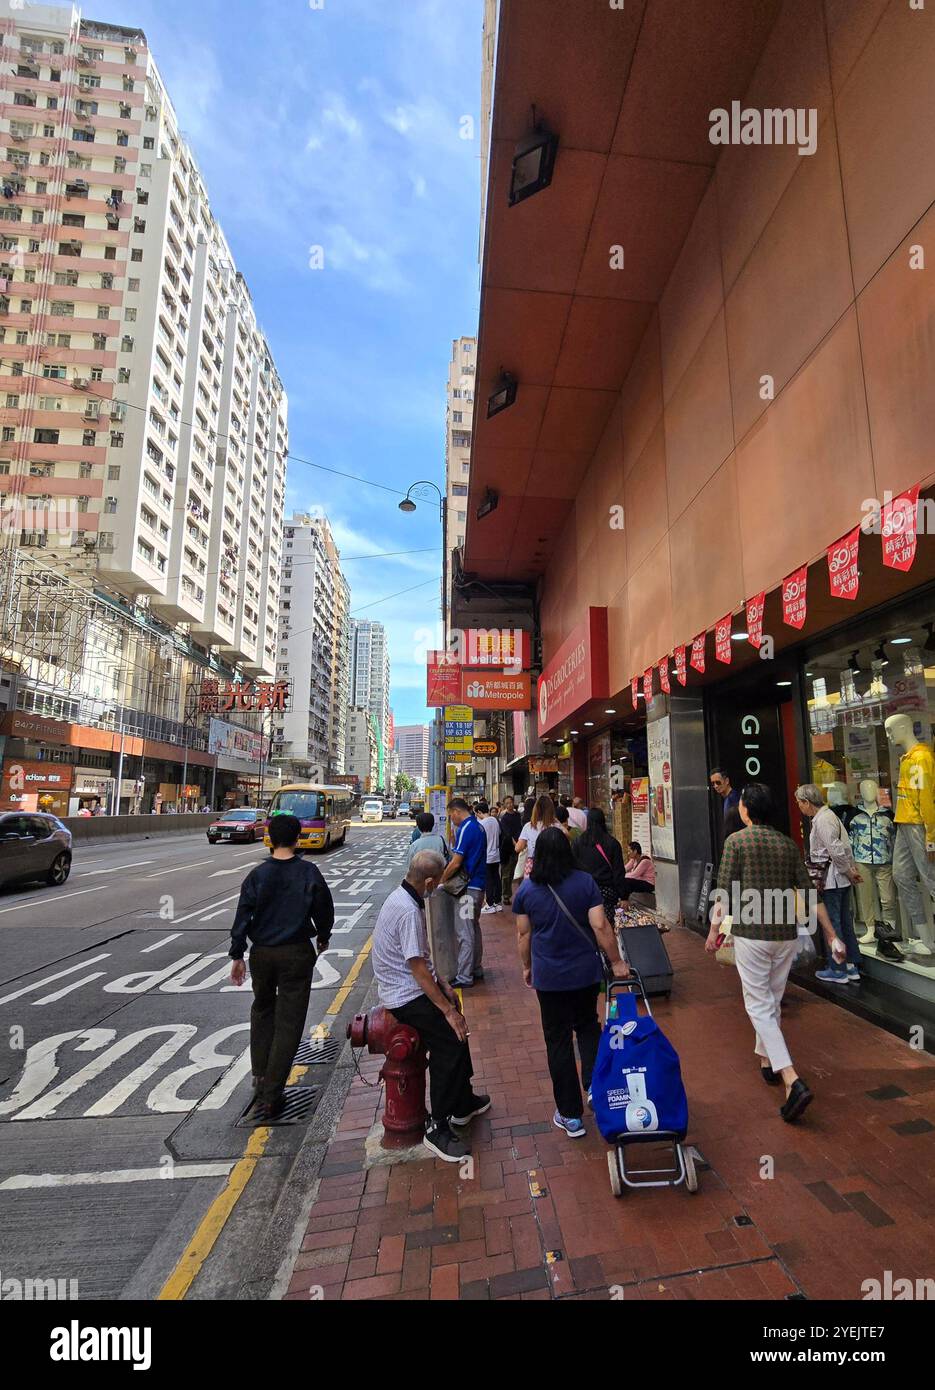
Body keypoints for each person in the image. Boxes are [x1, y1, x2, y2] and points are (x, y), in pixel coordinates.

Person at [705, 782, 847, 1123]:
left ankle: (790, 1077)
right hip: (786, 936)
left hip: (752, 934)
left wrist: (712, 933)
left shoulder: (736, 842)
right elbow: (810, 894)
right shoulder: (787, 844)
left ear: (744, 810)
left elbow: (722, 892)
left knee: (759, 1006)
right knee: (770, 999)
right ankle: (767, 1060)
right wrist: (832, 937)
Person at [371, 849, 490, 1161]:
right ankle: (438, 1126)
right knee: (450, 1040)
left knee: (458, 1029)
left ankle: (463, 1103)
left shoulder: (404, 897)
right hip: (404, 995)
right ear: (426, 880)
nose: (437, 887)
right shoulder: (408, 910)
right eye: (437, 882)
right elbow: (417, 968)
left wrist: (446, 987)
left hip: (411, 986)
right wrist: (447, 1010)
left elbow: (423, 960)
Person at [514, 827, 629, 1137]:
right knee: (588, 1027)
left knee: (558, 1040)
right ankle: (593, 1085)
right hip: (585, 973)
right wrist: (616, 961)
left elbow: (523, 935)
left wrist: (527, 967)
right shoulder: (585, 882)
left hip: (549, 977)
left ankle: (570, 1116)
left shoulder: (526, 891)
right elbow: (600, 924)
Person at [228, 813, 335, 1125]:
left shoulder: (257, 876)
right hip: (296, 954)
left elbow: (242, 917)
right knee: (289, 1021)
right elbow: (324, 910)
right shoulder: (308, 872)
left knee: (262, 1011)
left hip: (262, 954)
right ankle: (273, 1092)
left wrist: (238, 955)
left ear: (270, 837)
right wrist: (324, 938)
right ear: (298, 837)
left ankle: (260, 1077)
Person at [795, 783, 863, 984]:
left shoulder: (823, 820)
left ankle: (838, 968)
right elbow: (844, 848)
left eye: (799, 803)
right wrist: (850, 871)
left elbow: (835, 850)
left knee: (833, 924)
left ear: (807, 802)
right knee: (844, 922)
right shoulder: (829, 817)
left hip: (832, 881)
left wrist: (848, 871)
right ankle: (851, 965)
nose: (799, 806)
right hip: (840, 879)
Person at [439, 798, 488, 987]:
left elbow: (456, 861)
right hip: (478, 886)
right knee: (473, 928)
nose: (451, 819)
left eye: (451, 815)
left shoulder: (467, 828)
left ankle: (464, 977)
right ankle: (476, 968)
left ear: (456, 811)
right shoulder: (478, 826)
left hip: (467, 889)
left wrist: (442, 879)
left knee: (464, 932)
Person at [572, 807, 629, 924]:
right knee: (605, 925)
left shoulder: (578, 842)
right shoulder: (612, 843)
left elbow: (573, 868)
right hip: (606, 893)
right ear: (603, 821)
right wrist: (624, 896)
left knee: (586, 924)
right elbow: (618, 872)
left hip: (584, 891)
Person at [515, 793, 556, 881]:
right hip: (552, 864)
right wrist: (556, 820)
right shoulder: (555, 825)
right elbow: (567, 836)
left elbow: (518, 848)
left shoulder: (528, 826)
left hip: (533, 864)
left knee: (532, 890)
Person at [477, 801, 502, 915]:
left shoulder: (482, 824)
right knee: (496, 878)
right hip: (496, 854)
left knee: (488, 880)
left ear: (479, 812)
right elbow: (500, 834)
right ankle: (498, 903)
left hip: (487, 855)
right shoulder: (495, 820)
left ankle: (490, 904)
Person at [498, 795, 522, 900]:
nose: (510, 804)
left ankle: (520, 895)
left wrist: (520, 844)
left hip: (519, 846)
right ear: (504, 805)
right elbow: (508, 834)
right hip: (508, 849)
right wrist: (516, 844)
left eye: (511, 802)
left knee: (518, 872)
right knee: (507, 873)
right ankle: (506, 895)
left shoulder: (518, 815)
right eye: (507, 803)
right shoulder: (504, 818)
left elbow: (521, 829)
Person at [710, 768, 742, 840]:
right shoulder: (730, 798)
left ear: (727, 781)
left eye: (718, 782)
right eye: (713, 783)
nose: (715, 786)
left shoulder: (732, 799)